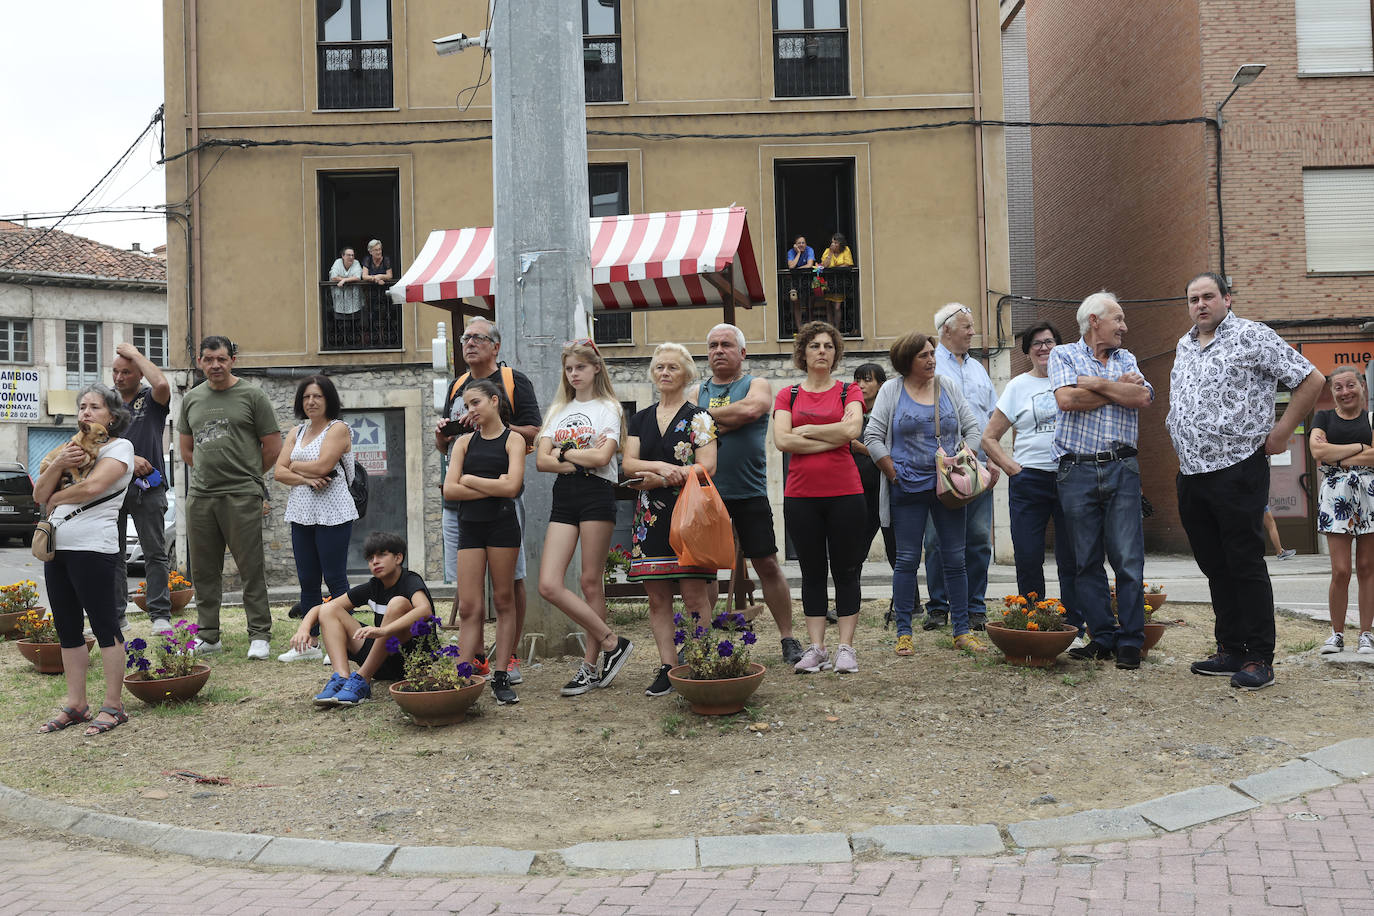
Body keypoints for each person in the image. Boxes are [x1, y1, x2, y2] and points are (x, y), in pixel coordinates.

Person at [1169, 272, 1326, 688]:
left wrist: (1282, 431)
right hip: (1192, 473)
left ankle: (1259, 657)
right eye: (1193, 299)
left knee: (1244, 563)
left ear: (1227, 299)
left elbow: (1312, 379)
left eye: (1208, 296)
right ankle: (1230, 649)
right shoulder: (1184, 344)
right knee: (1214, 565)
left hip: (1237, 468)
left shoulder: (1252, 336)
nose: (1200, 304)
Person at [864, 332, 992, 656]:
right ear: (907, 360)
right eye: (924, 355)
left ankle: (962, 631)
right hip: (906, 488)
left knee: (955, 559)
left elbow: (972, 428)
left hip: (949, 488)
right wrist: (893, 473)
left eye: (932, 353)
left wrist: (964, 460)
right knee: (906, 560)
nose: (932, 360)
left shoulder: (947, 386)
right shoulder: (892, 391)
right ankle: (904, 633)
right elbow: (873, 437)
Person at [435, 317, 542, 685]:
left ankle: (507, 656)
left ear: (496, 346)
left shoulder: (513, 381)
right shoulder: (457, 386)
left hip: (501, 509)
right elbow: (446, 451)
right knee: (467, 592)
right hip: (461, 507)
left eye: (477, 337)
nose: (469, 343)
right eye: (465, 337)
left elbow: (534, 432)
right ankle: (476, 657)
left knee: (510, 583)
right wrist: (445, 436)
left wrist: (492, 428)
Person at [1050, 292, 1153, 669]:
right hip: (1075, 470)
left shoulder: (1127, 359)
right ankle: (1104, 637)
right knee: (1086, 561)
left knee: (1128, 560)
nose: (1124, 326)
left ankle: (1131, 641)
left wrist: (1092, 382)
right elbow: (1066, 401)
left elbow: (1141, 397)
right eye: (1118, 319)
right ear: (1094, 320)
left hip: (1122, 467)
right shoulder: (1063, 354)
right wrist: (1115, 389)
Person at [693, 324, 803, 665]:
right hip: (706, 493)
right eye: (713, 345)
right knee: (705, 569)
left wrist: (703, 420)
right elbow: (686, 428)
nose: (718, 350)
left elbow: (751, 410)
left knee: (766, 563)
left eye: (726, 344)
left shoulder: (756, 384)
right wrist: (724, 420)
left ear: (742, 353)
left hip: (748, 491)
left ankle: (788, 637)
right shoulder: (697, 390)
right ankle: (702, 641)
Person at [535, 339, 637, 696]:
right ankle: (612, 642)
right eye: (568, 369)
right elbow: (541, 461)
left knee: (591, 581)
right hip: (564, 495)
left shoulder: (609, 407)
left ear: (596, 368)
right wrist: (579, 456)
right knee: (549, 584)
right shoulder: (558, 409)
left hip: (596, 492)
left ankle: (590, 667)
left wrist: (562, 452)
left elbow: (603, 458)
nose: (574, 374)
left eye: (580, 367)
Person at [34, 384, 134, 736]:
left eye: (95, 406)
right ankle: (76, 704)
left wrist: (56, 497)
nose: (86, 412)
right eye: (82, 407)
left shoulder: (120, 447)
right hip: (58, 546)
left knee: (105, 625)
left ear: (112, 416)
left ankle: (114, 705)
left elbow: (92, 488)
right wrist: (59, 464)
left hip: (93, 547)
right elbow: (38, 494)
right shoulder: (68, 449)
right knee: (67, 627)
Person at [177, 335, 282, 659]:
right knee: (203, 571)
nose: (215, 365)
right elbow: (186, 449)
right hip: (201, 496)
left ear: (232, 360)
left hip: (242, 495)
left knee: (251, 568)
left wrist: (248, 476)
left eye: (221, 359)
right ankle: (208, 636)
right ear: (200, 362)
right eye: (209, 359)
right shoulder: (191, 399)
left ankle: (259, 635)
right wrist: (209, 473)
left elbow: (273, 446)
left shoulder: (253, 396)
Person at [774, 321, 866, 673]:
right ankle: (817, 648)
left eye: (828, 345)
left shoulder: (848, 391)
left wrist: (809, 430)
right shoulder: (788, 395)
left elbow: (853, 429)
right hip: (801, 495)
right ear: (803, 352)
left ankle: (846, 648)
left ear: (836, 353)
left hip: (846, 493)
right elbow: (783, 440)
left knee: (846, 570)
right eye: (815, 345)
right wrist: (834, 436)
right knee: (812, 571)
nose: (822, 351)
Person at [623, 343, 716, 693]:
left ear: (687, 374)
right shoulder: (640, 418)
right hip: (649, 517)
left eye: (672, 367)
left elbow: (708, 466)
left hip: (689, 514)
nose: (665, 372)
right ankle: (668, 667)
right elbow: (628, 464)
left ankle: (701, 662)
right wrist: (662, 467)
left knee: (694, 595)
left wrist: (662, 478)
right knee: (657, 598)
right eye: (660, 366)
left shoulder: (700, 417)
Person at [981, 322, 1080, 635]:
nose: (1043, 348)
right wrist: (1012, 467)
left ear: (1059, 347)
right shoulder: (1017, 387)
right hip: (1029, 481)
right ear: (1027, 352)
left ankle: (1074, 625)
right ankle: (1033, 622)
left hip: (1070, 477)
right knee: (1027, 554)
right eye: (1036, 343)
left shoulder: (1075, 380)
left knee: (1072, 556)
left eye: (1049, 341)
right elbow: (989, 438)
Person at [443, 379, 528, 705]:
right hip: (470, 528)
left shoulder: (513, 440)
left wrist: (470, 480)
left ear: (494, 401)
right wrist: (492, 484)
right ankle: (463, 675)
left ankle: (501, 674)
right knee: (469, 606)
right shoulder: (464, 442)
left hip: (502, 526)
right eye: (467, 405)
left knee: (504, 600)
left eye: (476, 402)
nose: (470, 410)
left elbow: (513, 487)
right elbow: (450, 490)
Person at [922, 302, 998, 632]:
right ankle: (938, 607)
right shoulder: (929, 365)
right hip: (943, 467)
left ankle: (974, 607)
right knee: (937, 540)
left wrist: (993, 457)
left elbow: (993, 417)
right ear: (946, 330)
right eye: (966, 326)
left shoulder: (979, 369)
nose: (972, 332)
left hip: (977, 467)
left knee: (979, 538)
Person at [295, 531, 435, 707]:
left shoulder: (410, 580)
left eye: (381, 555)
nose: (375, 561)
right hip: (380, 661)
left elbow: (425, 610)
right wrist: (304, 629)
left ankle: (362, 679)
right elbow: (321, 609)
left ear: (398, 558)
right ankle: (341, 678)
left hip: (410, 660)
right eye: (370, 558)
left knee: (397, 603)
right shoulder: (373, 586)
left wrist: (384, 630)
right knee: (329, 609)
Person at [272, 374, 357, 662]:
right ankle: (309, 643)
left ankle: (344, 641)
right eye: (307, 396)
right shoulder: (296, 431)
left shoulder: (338, 428)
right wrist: (306, 479)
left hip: (334, 511)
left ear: (328, 399)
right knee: (308, 579)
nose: (311, 401)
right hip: (302, 511)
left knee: (335, 579)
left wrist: (294, 465)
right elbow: (278, 472)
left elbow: (324, 465)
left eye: (317, 396)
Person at [1309, 366, 1374, 657]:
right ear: (1332, 392)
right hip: (1336, 496)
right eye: (1338, 387)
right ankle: (1336, 634)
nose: (1345, 392)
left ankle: (1366, 634)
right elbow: (1318, 452)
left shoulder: (1371, 418)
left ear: (1362, 387)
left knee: (1367, 567)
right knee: (1341, 570)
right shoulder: (1323, 418)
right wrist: (1361, 447)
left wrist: (1337, 454)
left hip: (1370, 496)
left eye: (1350, 385)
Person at [110, 341, 172, 632]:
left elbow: (162, 383)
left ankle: (160, 615)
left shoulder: (151, 399)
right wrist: (128, 457)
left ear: (139, 374)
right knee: (114, 553)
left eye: (126, 372)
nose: (119, 377)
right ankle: (117, 616)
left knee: (155, 553)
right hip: (112, 488)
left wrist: (135, 353)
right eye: (115, 371)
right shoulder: (106, 403)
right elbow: (95, 444)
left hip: (149, 488)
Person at [851, 362, 908, 619]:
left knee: (897, 552)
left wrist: (862, 448)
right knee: (854, 552)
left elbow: (891, 453)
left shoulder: (890, 413)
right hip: (860, 493)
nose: (861, 385)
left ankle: (908, 606)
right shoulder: (851, 415)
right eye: (858, 380)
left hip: (887, 492)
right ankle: (849, 604)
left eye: (867, 380)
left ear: (881, 385)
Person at [816, 234, 854, 328]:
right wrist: (830, 253)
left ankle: (837, 328)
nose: (833, 244)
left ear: (841, 243)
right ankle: (830, 328)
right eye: (832, 242)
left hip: (841, 280)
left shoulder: (846, 250)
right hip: (829, 280)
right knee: (829, 305)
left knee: (837, 306)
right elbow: (824, 265)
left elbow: (848, 264)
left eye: (836, 242)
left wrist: (834, 267)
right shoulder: (827, 251)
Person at [328, 247, 364, 343]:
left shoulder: (356, 263)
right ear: (343, 256)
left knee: (355, 325)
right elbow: (333, 276)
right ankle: (341, 343)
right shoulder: (337, 263)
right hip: (340, 298)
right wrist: (349, 279)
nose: (351, 257)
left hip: (353, 298)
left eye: (352, 255)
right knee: (342, 325)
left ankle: (355, 343)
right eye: (348, 255)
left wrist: (344, 280)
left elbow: (357, 277)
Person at [785, 236, 815, 331]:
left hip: (808, 279)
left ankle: (811, 328)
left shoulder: (809, 250)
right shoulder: (791, 252)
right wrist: (798, 253)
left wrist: (797, 270)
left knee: (810, 304)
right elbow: (791, 266)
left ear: (806, 244)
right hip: (796, 280)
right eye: (799, 243)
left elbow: (809, 265)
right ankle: (799, 329)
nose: (801, 245)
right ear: (795, 245)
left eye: (803, 243)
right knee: (796, 304)